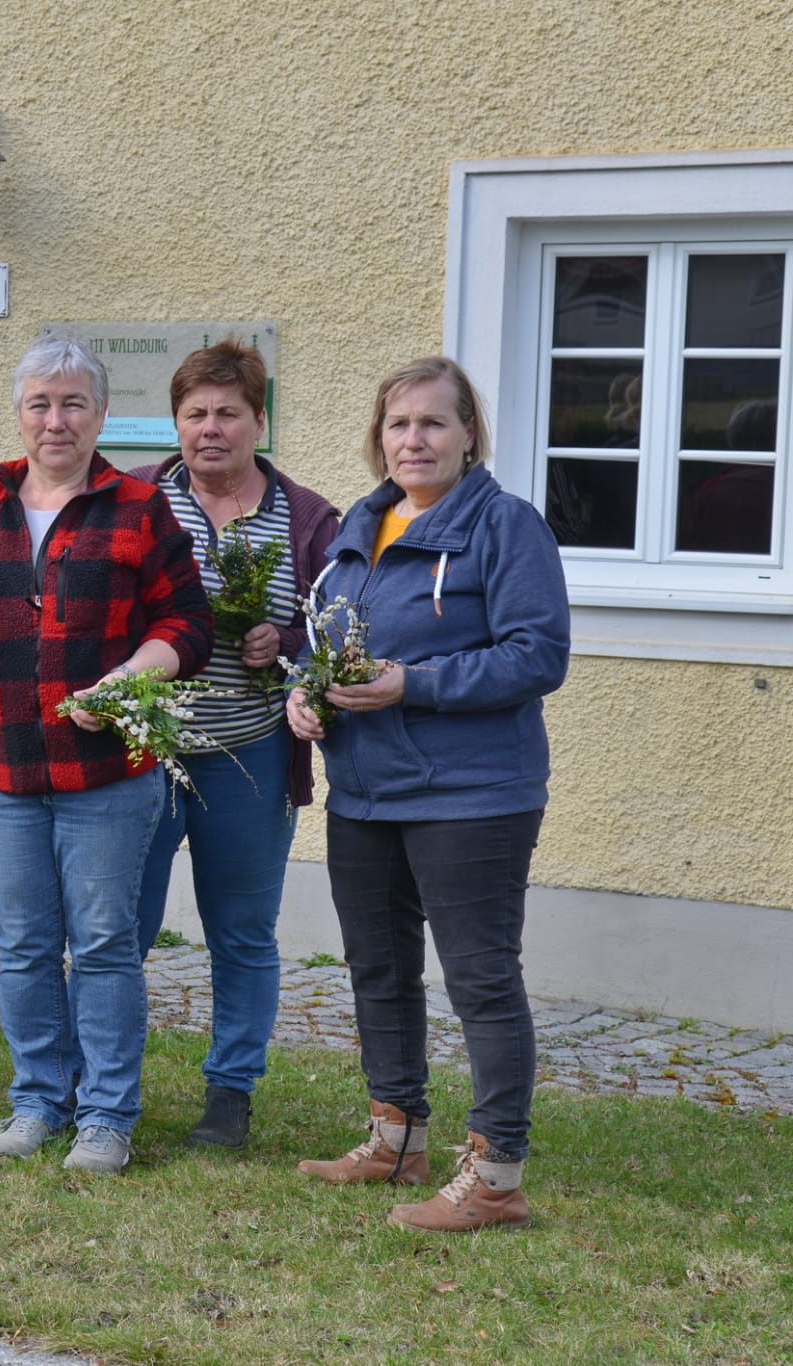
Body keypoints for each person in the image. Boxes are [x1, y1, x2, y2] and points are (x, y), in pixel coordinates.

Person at [0, 335, 212, 1174]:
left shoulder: (140, 510)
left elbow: (188, 624)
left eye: (74, 403)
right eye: (40, 403)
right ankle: (39, 1099)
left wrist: (128, 677)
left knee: (107, 943)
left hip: (108, 776)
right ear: (19, 414)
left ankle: (107, 1116)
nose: (56, 419)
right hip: (3, 773)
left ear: (102, 415)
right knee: (25, 945)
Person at [288, 356, 568, 1232]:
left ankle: (497, 1178)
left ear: (469, 436)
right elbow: (327, 645)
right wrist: (303, 690)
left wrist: (414, 683)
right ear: (379, 438)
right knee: (378, 967)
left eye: (434, 423)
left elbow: (537, 656)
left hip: (473, 794)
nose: (415, 439)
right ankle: (396, 1135)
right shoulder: (353, 535)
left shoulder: (505, 528)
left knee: (480, 978)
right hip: (364, 790)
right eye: (399, 424)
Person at [128, 339, 339, 1149]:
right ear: (175, 422)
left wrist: (282, 638)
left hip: (249, 754)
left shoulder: (308, 517)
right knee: (121, 929)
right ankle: (104, 1079)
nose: (210, 429)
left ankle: (230, 1093)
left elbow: (337, 631)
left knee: (242, 933)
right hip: (147, 754)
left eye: (227, 414)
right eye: (194, 414)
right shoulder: (135, 497)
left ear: (259, 420)